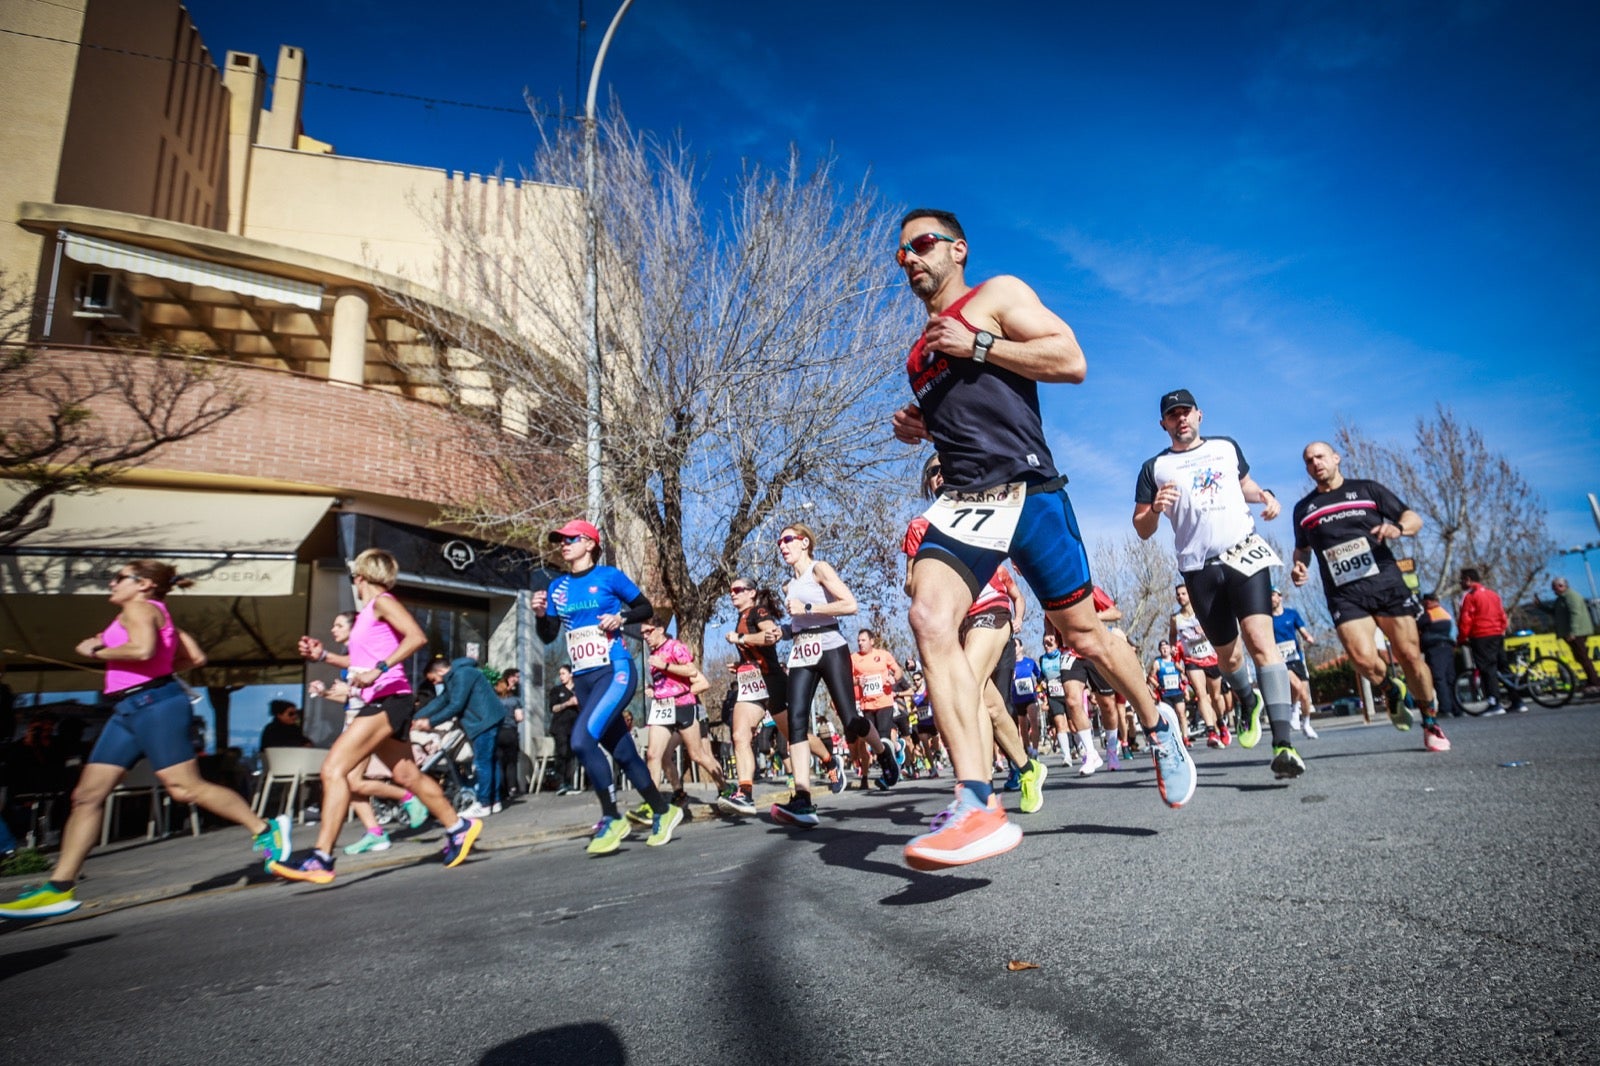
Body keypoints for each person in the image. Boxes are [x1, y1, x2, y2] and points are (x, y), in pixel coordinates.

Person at [892, 208, 1194, 869]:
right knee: (927, 615)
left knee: (1084, 636)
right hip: (965, 503)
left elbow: (1069, 359)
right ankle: (976, 800)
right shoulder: (919, 349)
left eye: (920, 245)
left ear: (957, 248)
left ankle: (1157, 721)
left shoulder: (994, 295)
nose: (909, 259)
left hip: (1028, 491)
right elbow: (971, 412)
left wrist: (975, 347)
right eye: (900, 255)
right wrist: (923, 423)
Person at [1, 561, 292, 919]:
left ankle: (266, 830)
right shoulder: (157, 612)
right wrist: (152, 666)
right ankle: (59, 887)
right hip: (130, 707)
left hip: (154, 705)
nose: (111, 583)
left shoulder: (138, 608)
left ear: (144, 584)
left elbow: (141, 650)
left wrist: (95, 650)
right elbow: (194, 657)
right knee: (87, 795)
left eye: (119, 577)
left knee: (184, 788)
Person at [272, 549, 482, 884]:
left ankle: (322, 857)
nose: (352, 580)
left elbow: (417, 637)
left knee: (333, 769)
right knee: (408, 776)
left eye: (353, 575)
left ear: (360, 576)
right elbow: (359, 664)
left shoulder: (383, 602)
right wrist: (324, 654)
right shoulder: (368, 613)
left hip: (388, 699)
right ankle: (459, 827)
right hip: (384, 699)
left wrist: (380, 669)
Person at [1134, 387, 1304, 781]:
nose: (1181, 420)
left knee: (1261, 642)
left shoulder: (1226, 448)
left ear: (1199, 415)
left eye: (1186, 412)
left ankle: (1283, 745)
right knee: (1228, 659)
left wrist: (1265, 496)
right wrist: (1156, 508)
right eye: (1173, 415)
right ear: (1163, 424)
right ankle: (1248, 699)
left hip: (1243, 552)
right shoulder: (1153, 468)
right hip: (1198, 569)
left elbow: (1244, 483)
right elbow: (1141, 528)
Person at [903, 454, 1046, 815]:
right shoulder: (920, 526)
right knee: (991, 703)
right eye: (933, 472)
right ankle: (1029, 769)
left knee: (967, 682)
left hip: (992, 608)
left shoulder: (987, 507)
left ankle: (981, 794)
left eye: (945, 467)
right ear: (928, 482)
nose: (940, 475)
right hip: (958, 621)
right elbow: (910, 584)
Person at [1291, 442, 1450, 751]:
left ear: (1336, 458)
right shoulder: (1304, 509)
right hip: (1344, 594)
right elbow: (1303, 548)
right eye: (1308, 460)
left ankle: (1430, 721)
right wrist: (1299, 565)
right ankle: (1390, 689)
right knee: (1363, 659)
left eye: (1320, 456)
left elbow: (1413, 518)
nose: (1315, 463)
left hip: (1387, 586)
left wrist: (1398, 528)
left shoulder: (1367, 489)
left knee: (1410, 657)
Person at [533, 519, 678, 853]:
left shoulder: (609, 577)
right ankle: (663, 810)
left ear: (589, 543)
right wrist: (541, 615)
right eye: (560, 540)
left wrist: (621, 618)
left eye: (570, 539)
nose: (563, 545)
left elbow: (645, 608)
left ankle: (612, 818)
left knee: (582, 740)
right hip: (583, 680)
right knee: (624, 753)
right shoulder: (558, 587)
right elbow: (548, 635)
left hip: (615, 671)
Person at [769, 522, 900, 829]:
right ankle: (802, 796)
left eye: (787, 539)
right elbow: (801, 622)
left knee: (850, 718)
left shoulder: (819, 569)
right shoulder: (788, 585)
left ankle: (882, 753)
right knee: (796, 720)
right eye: (779, 542)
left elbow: (850, 605)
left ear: (804, 542)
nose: (782, 546)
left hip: (830, 646)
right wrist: (784, 631)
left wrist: (808, 605)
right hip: (802, 650)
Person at [303, 610, 430, 855]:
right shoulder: (349, 655)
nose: (333, 629)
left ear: (355, 629)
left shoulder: (363, 653)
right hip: (353, 719)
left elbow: (370, 686)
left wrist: (327, 662)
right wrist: (325, 693)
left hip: (367, 720)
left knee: (346, 778)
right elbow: (351, 694)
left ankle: (407, 799)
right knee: (348, 781)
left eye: (339, 625)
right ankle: (375, 832)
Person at [720, 579, 815, 816]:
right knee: (740, 734)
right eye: (730, 590)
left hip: (772, 680)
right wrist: (742, 664)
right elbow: (756, 650)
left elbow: (771, 635)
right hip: (751, 683)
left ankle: (829, 762)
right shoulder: (741, 616)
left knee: (794, 735)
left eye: (738, 589)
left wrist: (740, 639)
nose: (732, 593)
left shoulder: (757, 611)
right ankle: (745, 793)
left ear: (752, 593)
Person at [629, 618, 724, 837]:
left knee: (698, 755)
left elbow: (691, 671)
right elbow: (666, 682)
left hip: (683, 707)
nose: (645, 636)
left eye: (648, 632)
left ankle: (725, 787)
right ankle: (656, 803)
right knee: (654, 755)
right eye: (642, 633)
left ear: (660, 629)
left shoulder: (675, 647)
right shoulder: (652, 656)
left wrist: (666, 666)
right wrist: (656, 689)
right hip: (662, 709)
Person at [415, 656, 507, 820]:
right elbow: (442, 701)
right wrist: (416, 718)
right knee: (490, 761)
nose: (435, 683)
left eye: (434, 679)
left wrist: (430, 722)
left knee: (482, 762)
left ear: (440, 671)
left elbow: (455, 704)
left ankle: (484, 804)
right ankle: (495, 801)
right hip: (486, 719)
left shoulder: (462, 674)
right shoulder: (455, 677)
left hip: (483, 721)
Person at [1171, 583, 1228, 745]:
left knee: (1216, 697)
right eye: (1178, 594)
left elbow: (1219, 627)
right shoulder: (1176, 618)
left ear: (1190, 595)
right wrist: (1174, 648)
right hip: (1192, 660)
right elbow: (1172, 636)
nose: (1180, 597)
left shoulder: (1202, 612)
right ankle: (1211, 731)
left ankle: (1221, 722)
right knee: (1201, 694)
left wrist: (1208, 631)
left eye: (1183, 593)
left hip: (1211, 658)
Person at [1457, 567, 1518, 714]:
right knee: (1503, 666)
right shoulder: (1493, 594)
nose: (1461, 583)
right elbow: (1502, 615)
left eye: (1462, 580)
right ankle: (1517, 700)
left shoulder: (1470, 597)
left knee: (1487, 669)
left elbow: (1466, 619)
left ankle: (1494, 701)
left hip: (1480, 635)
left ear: (1468, 580)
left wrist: (1461, 638)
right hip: (1497, 633)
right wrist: (1501, 629)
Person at [850, 629, 906, 789]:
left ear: (872, 641)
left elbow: (898, 671)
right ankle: (896, 748)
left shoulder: (883, 655)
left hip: (884, 701)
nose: (860, 643)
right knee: (873, 742)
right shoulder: (853, 658)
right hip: (867, 704)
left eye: (863, 640)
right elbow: (848, 678)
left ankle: (886, 773)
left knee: (882, 736)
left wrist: (893, 677)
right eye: (859, 640)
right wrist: (856, 682)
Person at [1270, 588, 1319, 740]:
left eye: (1273, 595)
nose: (1271, 599)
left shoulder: (1292, 614)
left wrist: (1308, 637)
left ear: (1280, 597)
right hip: (1279, 660)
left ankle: (1306, 724)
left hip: (1295, 657)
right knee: (1296, 686)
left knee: (1305, 696)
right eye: (1268, 596)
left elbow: (1302, 630)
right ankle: (1293, 710)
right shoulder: (1267, 619)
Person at [1551, 578, 1599, 694]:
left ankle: (1595, 682)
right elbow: (1556, 612)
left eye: (1555, 587)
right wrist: (1540, 606)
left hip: (1578, 633)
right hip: (1572, 633)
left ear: (1562, 586)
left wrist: (1573, 632)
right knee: (1580, 657)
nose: (1553, 590)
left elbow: (1575, 614)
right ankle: (1592, 680)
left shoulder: (1571, 596)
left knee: (1583, 657)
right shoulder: (1561, 599)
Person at [1418, 592, 1462, 718]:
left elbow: (1417, 626)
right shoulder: (1445, 614)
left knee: (1439, 678)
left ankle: (1445, 708)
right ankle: (1456, 708)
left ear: (1428, 602)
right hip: (1448, 647)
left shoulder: (1429, 615)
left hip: (1435, 649)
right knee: (1450, 678)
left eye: (1424, 602)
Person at [494, 669, 525, 801]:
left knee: (499, 762)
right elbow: (519, 718)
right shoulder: (514, 700)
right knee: (511, 762)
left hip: (497, 732)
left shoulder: (495, 699)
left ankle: (501, 790)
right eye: (515, 677)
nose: (517, 680)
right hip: (510, 732)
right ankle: (512, 788)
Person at [547, 664, 580, 793]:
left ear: (571, 674)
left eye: (563, 673)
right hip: (560, 726)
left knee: (572, 755)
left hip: (575, 726)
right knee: (562, 753)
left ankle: (569, 783)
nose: (561, 676)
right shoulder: (556, 690)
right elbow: (553, 708)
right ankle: (560, 783)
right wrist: (568, 703)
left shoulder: (578, 689)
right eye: (560, 674)